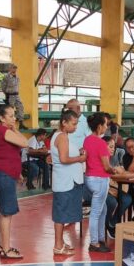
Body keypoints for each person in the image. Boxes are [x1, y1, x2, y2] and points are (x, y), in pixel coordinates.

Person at [0, 103, 28, 259]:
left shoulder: (6, 131)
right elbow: (25, 143)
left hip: (7, 174)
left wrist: (18, 173)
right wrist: (13, 129)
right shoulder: (3, 131)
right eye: (10, 116)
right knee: (7, 214)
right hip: (5, 175)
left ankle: (3, 246)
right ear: (1, 118)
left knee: (5, 213)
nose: (14, 118)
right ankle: (6, 249)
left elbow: (18, 144)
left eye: (14, 115)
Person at [51, 109, 87, 255]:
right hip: (65, 181)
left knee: (63, 212)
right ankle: (58, 245)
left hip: (68, 180)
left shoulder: (63, 136)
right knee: (61, 214)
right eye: (73, 124)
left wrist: (78, 151)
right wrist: (80, 158)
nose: (75, 127)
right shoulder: (62, 137)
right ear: (64, 123)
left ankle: (60, 242)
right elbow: (64, 159)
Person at [83, 112, 117, 252]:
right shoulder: (101, 143)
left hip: (90, 177)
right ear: (99, 126)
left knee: (102, 210)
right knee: (96, 213)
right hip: (100, 179)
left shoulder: (87, 140)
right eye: (104, 124)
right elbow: (106, 166)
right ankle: (94, 242)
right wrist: (114, 170)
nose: (106, 127)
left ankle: (101, 239)